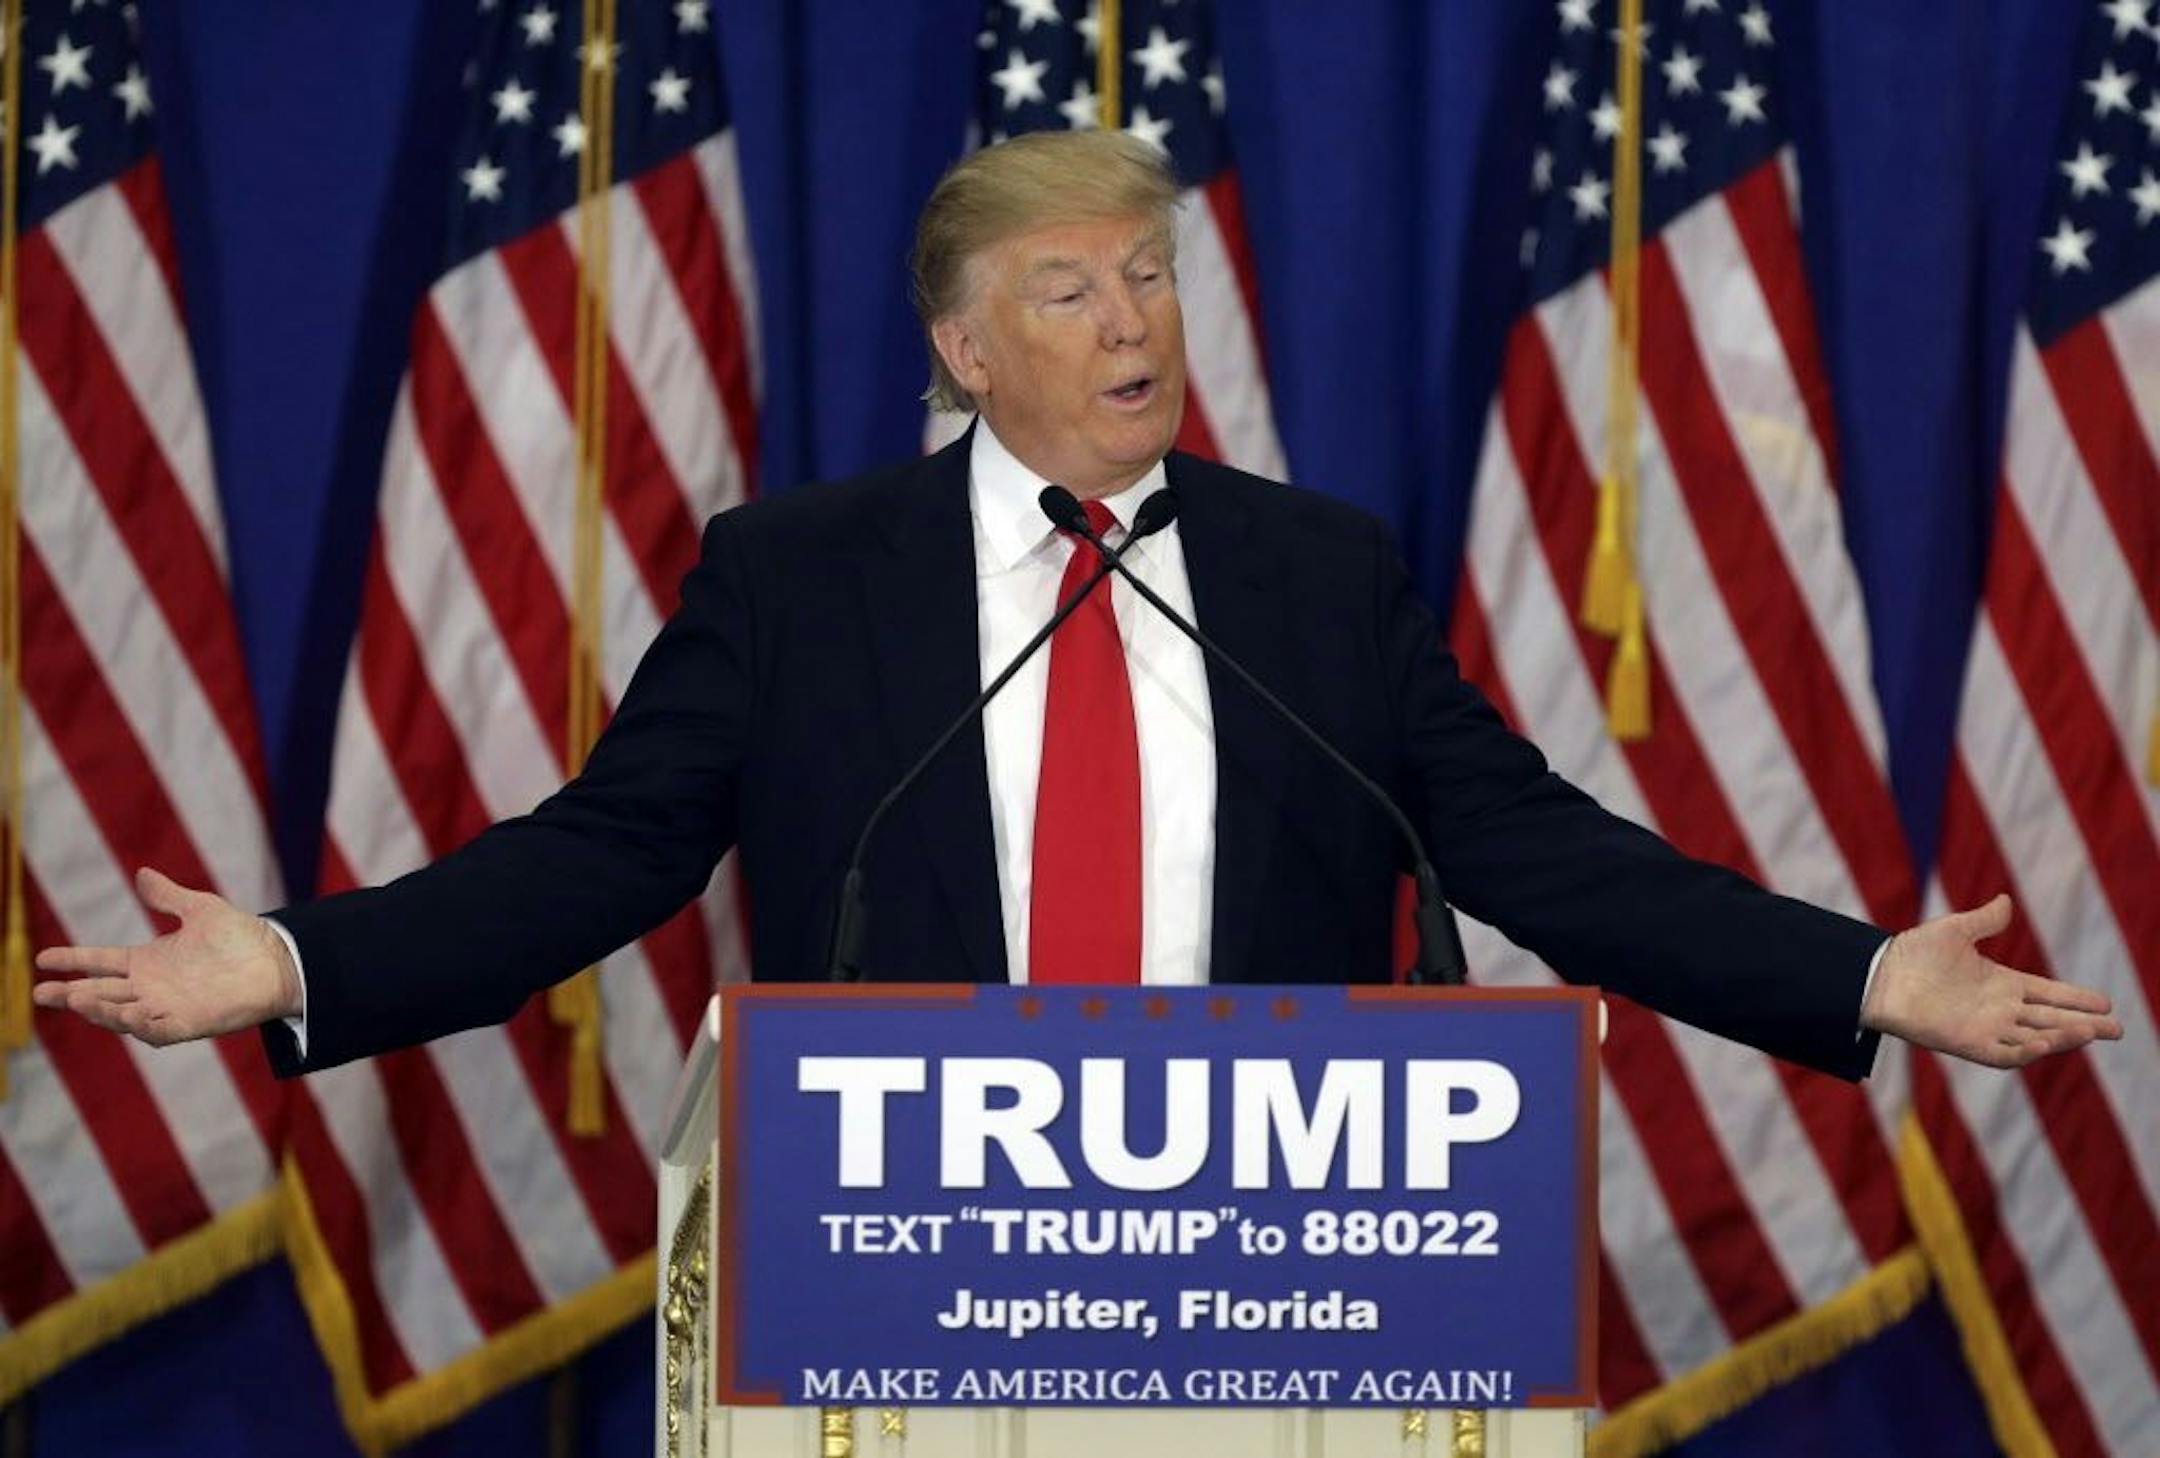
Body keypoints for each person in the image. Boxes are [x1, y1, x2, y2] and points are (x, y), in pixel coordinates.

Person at [33, 131, 2120, 1081]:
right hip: (905, 1268)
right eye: (1069, 289)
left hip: (1273, 1278)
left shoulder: (1315, 574)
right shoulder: (804, 577)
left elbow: (1529, 849)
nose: (1131, 325)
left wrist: (1861, 979)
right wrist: (297, 964)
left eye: (1149, 277)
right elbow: (602, 860)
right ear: (966, 351)